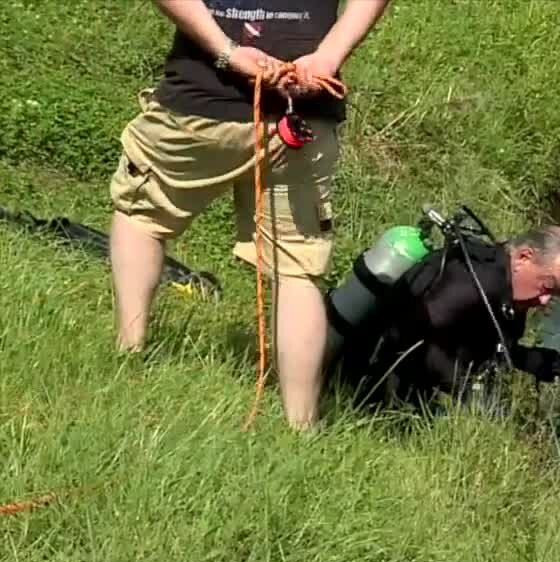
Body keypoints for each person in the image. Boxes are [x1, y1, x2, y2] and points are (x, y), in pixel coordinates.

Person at [107, 0, 391, 429]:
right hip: (302, 111)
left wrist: (227, 51)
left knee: (140, 216)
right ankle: (301, 426)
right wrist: (328, 57)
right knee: (297, 271)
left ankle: (129, 352)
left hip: (201, 104)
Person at [331, 224, 560, 430]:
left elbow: (480, 347)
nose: (544, 300)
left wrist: (528, 359)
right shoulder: (473, 283)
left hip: (405, 387)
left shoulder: (504, 283)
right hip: (365, 383)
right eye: (548, 287)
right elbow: (414, 340)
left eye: (557, 294)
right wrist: (469, 392)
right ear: (523, 257)